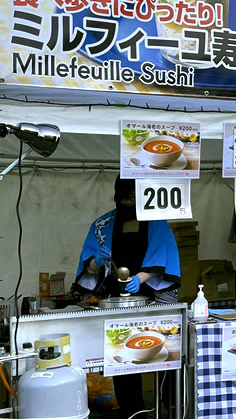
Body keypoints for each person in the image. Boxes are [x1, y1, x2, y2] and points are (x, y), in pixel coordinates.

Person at [73, 175, 180, 419]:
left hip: (155, 296)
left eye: (134, 196)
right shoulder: (103, 224)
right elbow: (88, 268)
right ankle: (132, 412)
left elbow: (162, 259)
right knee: (122, 356)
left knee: (165, 355)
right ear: (118, 196)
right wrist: (96, 262)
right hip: (118, 300)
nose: (130, 201)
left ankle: (172, 408)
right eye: (125, 197)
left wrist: (138, 279)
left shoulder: (156, 220)